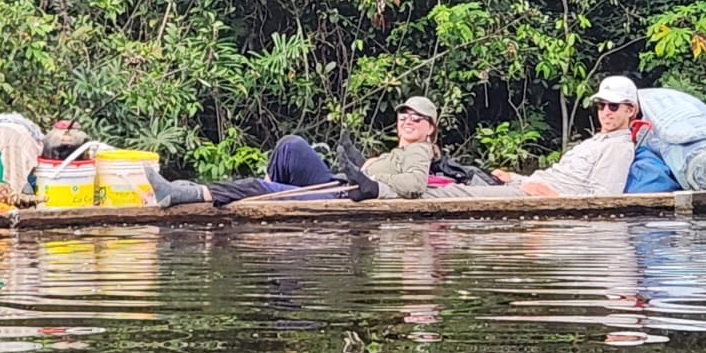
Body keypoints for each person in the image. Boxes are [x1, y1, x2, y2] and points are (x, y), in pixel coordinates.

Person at [147, 96, 440, 206]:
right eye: (404, 116)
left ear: (430, 128)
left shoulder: (420, 150)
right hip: (341, 184)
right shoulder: (395, 153)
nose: (408, 121)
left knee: (254, 186)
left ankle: (187, 194)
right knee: (291, 145)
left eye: (417, 118)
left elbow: (415, 185)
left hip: (345, 196)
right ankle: (270, 189)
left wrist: (371, 183)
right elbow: (370, 173)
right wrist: (357, 160)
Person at [425, 76, 639, 199]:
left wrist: (548, 196)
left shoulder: (619, 147)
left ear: (630, 110)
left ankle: (401, 197)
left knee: (456, 193)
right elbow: (554, 177)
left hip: (541, 201)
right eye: (601, 105)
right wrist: (517, 178)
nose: (605, 112)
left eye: (613, 105)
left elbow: (603, 200)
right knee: (459, 177)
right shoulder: (595, 141)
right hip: (528, 189)